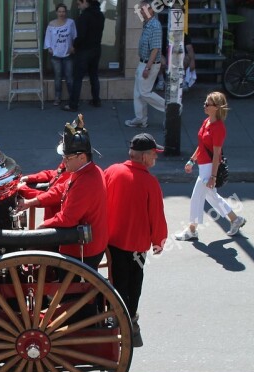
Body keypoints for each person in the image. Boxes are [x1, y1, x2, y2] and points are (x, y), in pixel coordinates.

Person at [16, 115, 108, 269]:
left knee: (66, 288)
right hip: (86, 242)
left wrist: (42, 227)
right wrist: (31, 201)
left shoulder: (86, 181)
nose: (64, 162)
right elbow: (61, 187)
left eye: (67, 158)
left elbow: (67, 219)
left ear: (82, 157)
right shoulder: (83, 171)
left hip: (82, 250)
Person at [104, 133, 168, 347]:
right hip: (135, 245)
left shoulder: (112, 171)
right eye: (154, 155)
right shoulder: (149, 182)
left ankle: (117, 313)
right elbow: (156, 215)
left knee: (117, 279)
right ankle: (128, 319)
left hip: (111, 240)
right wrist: (159, 240)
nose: (155, 159)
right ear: (144, 156)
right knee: (133, 283)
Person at [175, 91, 246, 240]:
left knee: (196, 197)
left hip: (209, 167)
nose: (205, 105)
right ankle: (235, 219)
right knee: (211, 197)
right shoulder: (206, 121)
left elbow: (216, 154)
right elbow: (201, 145)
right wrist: (191, 160)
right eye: (205, 102)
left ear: (216, 107)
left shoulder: (219, 128)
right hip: (202, 165)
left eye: (208, 103)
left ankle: (192, 229)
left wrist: (213, 176)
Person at [125, 0, 164, 128]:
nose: (141, 11)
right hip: (143, 62)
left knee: (144, 92)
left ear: (151, 10)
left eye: (144, 9)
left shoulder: (155, 26)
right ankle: (140, 119)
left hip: (149, 64)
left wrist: (147, 67)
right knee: (138, 92)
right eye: (141, 9)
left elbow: (155, 49)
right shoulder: (147, 23)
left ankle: (170, 108)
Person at [64, 0, 104, 111]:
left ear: (85, 2)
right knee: (94, 76)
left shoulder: (84, 16)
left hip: (84, 51)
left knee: (77, 78)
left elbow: (81, 36)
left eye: (79, 4)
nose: (78, 7)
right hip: (96, 49)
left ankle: (73, 105)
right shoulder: (100, 15)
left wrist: (74, 46)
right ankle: (96, 100)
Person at [45, 3, 76, 107]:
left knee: (69, 78)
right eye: (60, 11)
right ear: (56, 12)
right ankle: (57, 98)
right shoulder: (51, 24)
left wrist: (73, 47)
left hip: (68, 55)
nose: (61, 13)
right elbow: (47, 38)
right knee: (57, 77)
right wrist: (49, 48)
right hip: (56, 56)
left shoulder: (71, 23)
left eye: (63, 11)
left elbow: (75, 36)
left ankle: (73, 98)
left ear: (66, 12)